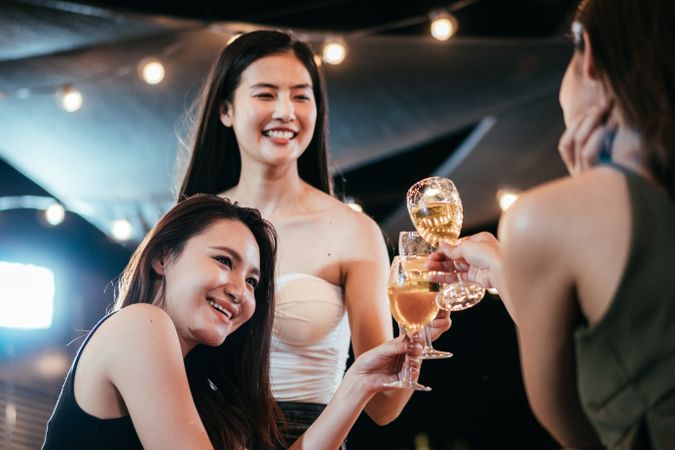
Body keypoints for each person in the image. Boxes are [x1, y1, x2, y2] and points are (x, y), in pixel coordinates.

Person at [177, 30, 451, 444]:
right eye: (266, 95)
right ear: (226, 110)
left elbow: (382, 408)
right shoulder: (189, 225)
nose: (286, 111)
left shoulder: (353, 231)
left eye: (301, 96)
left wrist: (419, 335)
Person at [429, 0, 675, 448]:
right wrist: (507, 273)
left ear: (589, 54)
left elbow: (584, 430)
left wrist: (584, 192)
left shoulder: (542, 217)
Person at [42, 194, 424, 450]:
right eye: (224, 261)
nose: (240, 290)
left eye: (253, 282)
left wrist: (356, 384)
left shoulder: (199, 391)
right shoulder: (141, 325)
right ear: (162, 257)